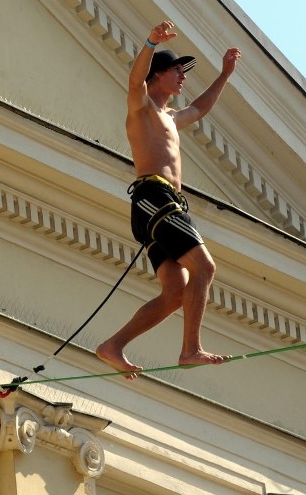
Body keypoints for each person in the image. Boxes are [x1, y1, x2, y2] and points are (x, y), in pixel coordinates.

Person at [96, 21, 241, 379]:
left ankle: (112, 345)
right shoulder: (141, 107)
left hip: (164, 204)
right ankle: (190, 349)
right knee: (204, 268)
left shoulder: (171, 118)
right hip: (154, 197)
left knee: (176, 292)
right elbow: (133, 80)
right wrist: (149, 42)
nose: (182, 77)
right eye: (177, 70)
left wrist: (224, 75)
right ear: (157, 75)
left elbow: (201, 107)